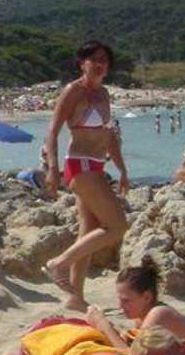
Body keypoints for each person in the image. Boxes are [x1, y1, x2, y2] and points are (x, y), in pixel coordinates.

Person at [42, 40, 130, 311]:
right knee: (118, 226)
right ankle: (58, 264)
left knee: (88, 231)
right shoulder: (73, 91)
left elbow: (109, 136)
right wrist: (52, 169)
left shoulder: (104, 93)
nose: (101, 63)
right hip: (79, 165)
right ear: (82, 63)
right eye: (94, 59)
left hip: (97, 165)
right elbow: (53, 131)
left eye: (105, 59)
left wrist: (122, 169)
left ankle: (75, 297)